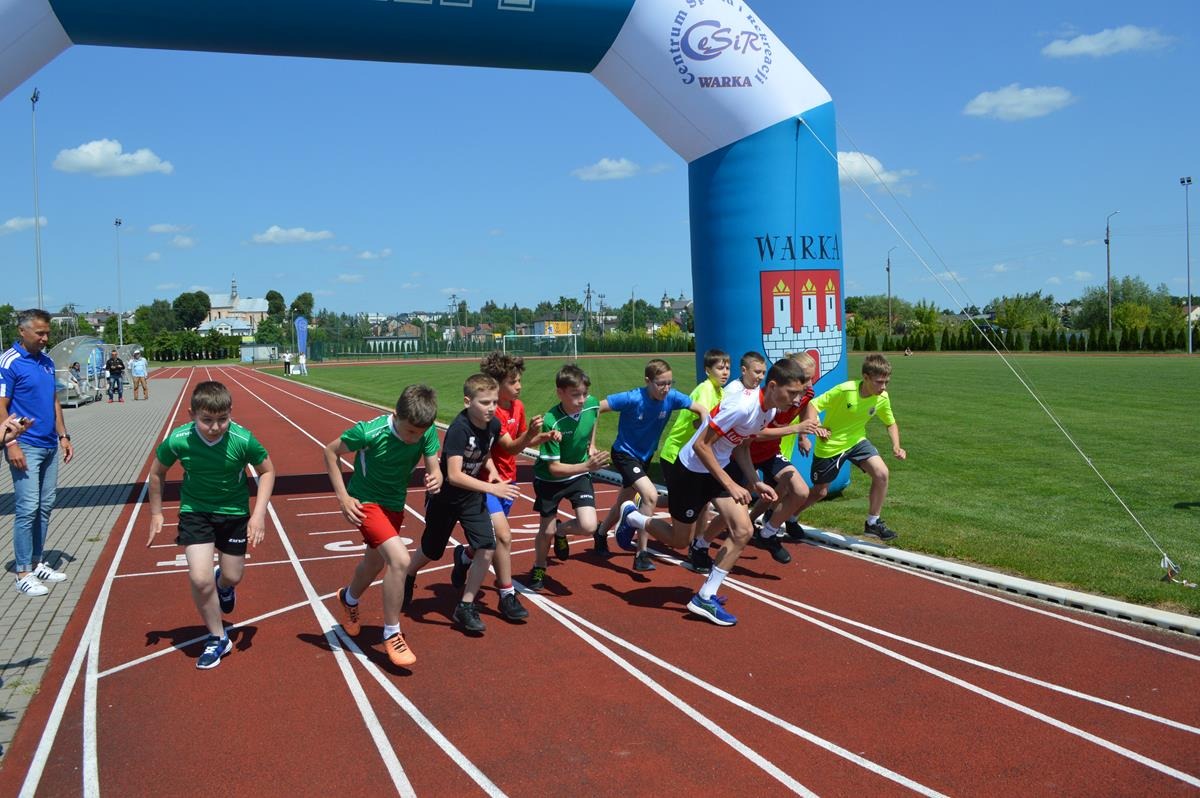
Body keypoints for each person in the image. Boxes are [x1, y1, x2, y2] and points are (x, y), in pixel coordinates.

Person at [615, 357, 813, 626]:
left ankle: (705, 596)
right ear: (773, 386)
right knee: (679, 540)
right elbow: (701, 446)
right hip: (691, 471)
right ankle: (633, 517)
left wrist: (754, 481)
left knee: (743, 531)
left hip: (719, 468)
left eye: (799, 394)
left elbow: (742, 446)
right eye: (792, 393)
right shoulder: (742, 406)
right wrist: (731, 484)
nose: (796, 400)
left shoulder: (769, 412)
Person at [146, 381, 276, 669]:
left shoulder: (242, 439)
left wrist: (258, 515)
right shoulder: (179, 439)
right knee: (199, 578)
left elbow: (267, 471)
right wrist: (156, 513)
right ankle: (217, 637)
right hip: (196, 512)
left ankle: (224, 585)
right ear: (191, 414)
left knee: (232, 575)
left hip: (234, 514)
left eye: (222, 419)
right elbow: (157, 473)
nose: (215, 427)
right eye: (206, 420)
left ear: (230, 413)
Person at [324, 384, 440, 667]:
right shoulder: (369, 432)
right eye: (409, 431)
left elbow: (433, 464)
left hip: (395, 504)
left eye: (419, 433)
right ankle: (392, 633)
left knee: (374, 563)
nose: (414, 438)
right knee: (400, 560)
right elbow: (330, 452)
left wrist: (436, 476)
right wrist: (343, 497)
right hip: (366, 502)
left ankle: (349, 599)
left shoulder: (426, 431)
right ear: (395, 415)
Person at [405, 374, 518, 635]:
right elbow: (454, 476)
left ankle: (465, 605)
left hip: (471, 498)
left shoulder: (492, 424)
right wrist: (492, 488)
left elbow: (483, 452)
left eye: (494, 402)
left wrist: (492, 471)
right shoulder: (459, 429)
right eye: (484, 402)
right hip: (446, 498)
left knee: (486, 546)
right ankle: (409, 574)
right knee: (432, 551)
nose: (491, 408)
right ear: (468, 402)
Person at [449, 352, 554, 622]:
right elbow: (507, 447)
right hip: (486, 483)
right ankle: (507, 594)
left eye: (519, 380)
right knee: (504, 537)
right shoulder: (490, 412)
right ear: (496, 384)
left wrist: (540, 437)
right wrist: (529, 435)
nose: (519, 386)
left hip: (508, 481)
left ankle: (465, 556)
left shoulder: (518, 407)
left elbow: (519, 443)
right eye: (513, 381)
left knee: (491, 540)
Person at [594, 358, 703, 571]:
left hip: (645, 457)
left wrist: (703, 429)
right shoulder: (632, 398)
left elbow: (701, 409)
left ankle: (600, 532)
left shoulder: (672, 397)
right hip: (624, 454)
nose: (666, 388)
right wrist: (591, 444)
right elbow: (595, 408)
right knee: (650, 495)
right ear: (648, 381)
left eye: (670, 383)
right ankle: (641, 554)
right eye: (661, 383)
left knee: (624, 500)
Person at [1, 309, 75, 597]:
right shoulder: (9, 362)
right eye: (40, 333)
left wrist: (63, 435)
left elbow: (53, 400)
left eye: (47, 333)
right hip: (25, 445)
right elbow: (1, 405)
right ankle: (22, 573)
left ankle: (36, 561)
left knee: (44, 506)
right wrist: (11, 444)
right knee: (27, 508)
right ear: (23, 331)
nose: (45, 338)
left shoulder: (46, 362)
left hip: (48, 444)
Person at [799, 353, 907, 541]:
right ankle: (789, 516)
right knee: (820, 492)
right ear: (865, 377)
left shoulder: (882, 397)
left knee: (882, 473)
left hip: (857, 441)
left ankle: (872, 523)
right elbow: (813, 405)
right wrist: (817, 427)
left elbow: (890, 423)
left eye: (886, 382)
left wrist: (896, 446)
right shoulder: (845, 390)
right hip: (831, 445)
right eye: (879, 382)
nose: (883, 387)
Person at [527, 364, 608, 591]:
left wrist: (591, 444)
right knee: (546, 531)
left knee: (589, 525)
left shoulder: (591, 403)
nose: (582, 400)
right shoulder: (551, 421)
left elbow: (593, 416)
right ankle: (539, 566)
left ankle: (561, 531)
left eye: (584, 393)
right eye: (575, 395)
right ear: (560, 393)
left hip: (578, 474)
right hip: (550, 480)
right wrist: (587, 466)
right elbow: (554, 468)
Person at [654, 349, 730, 564]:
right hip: (677, 454)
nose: (725, 372)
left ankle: (697, 546)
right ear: (707, 371)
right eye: (720, 368)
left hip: (695, 458)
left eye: (727, 368)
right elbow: (700, 423)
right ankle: (638, 514)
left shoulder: (721, 392)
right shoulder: (705, 390)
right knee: (694, 509)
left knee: (701, 502)